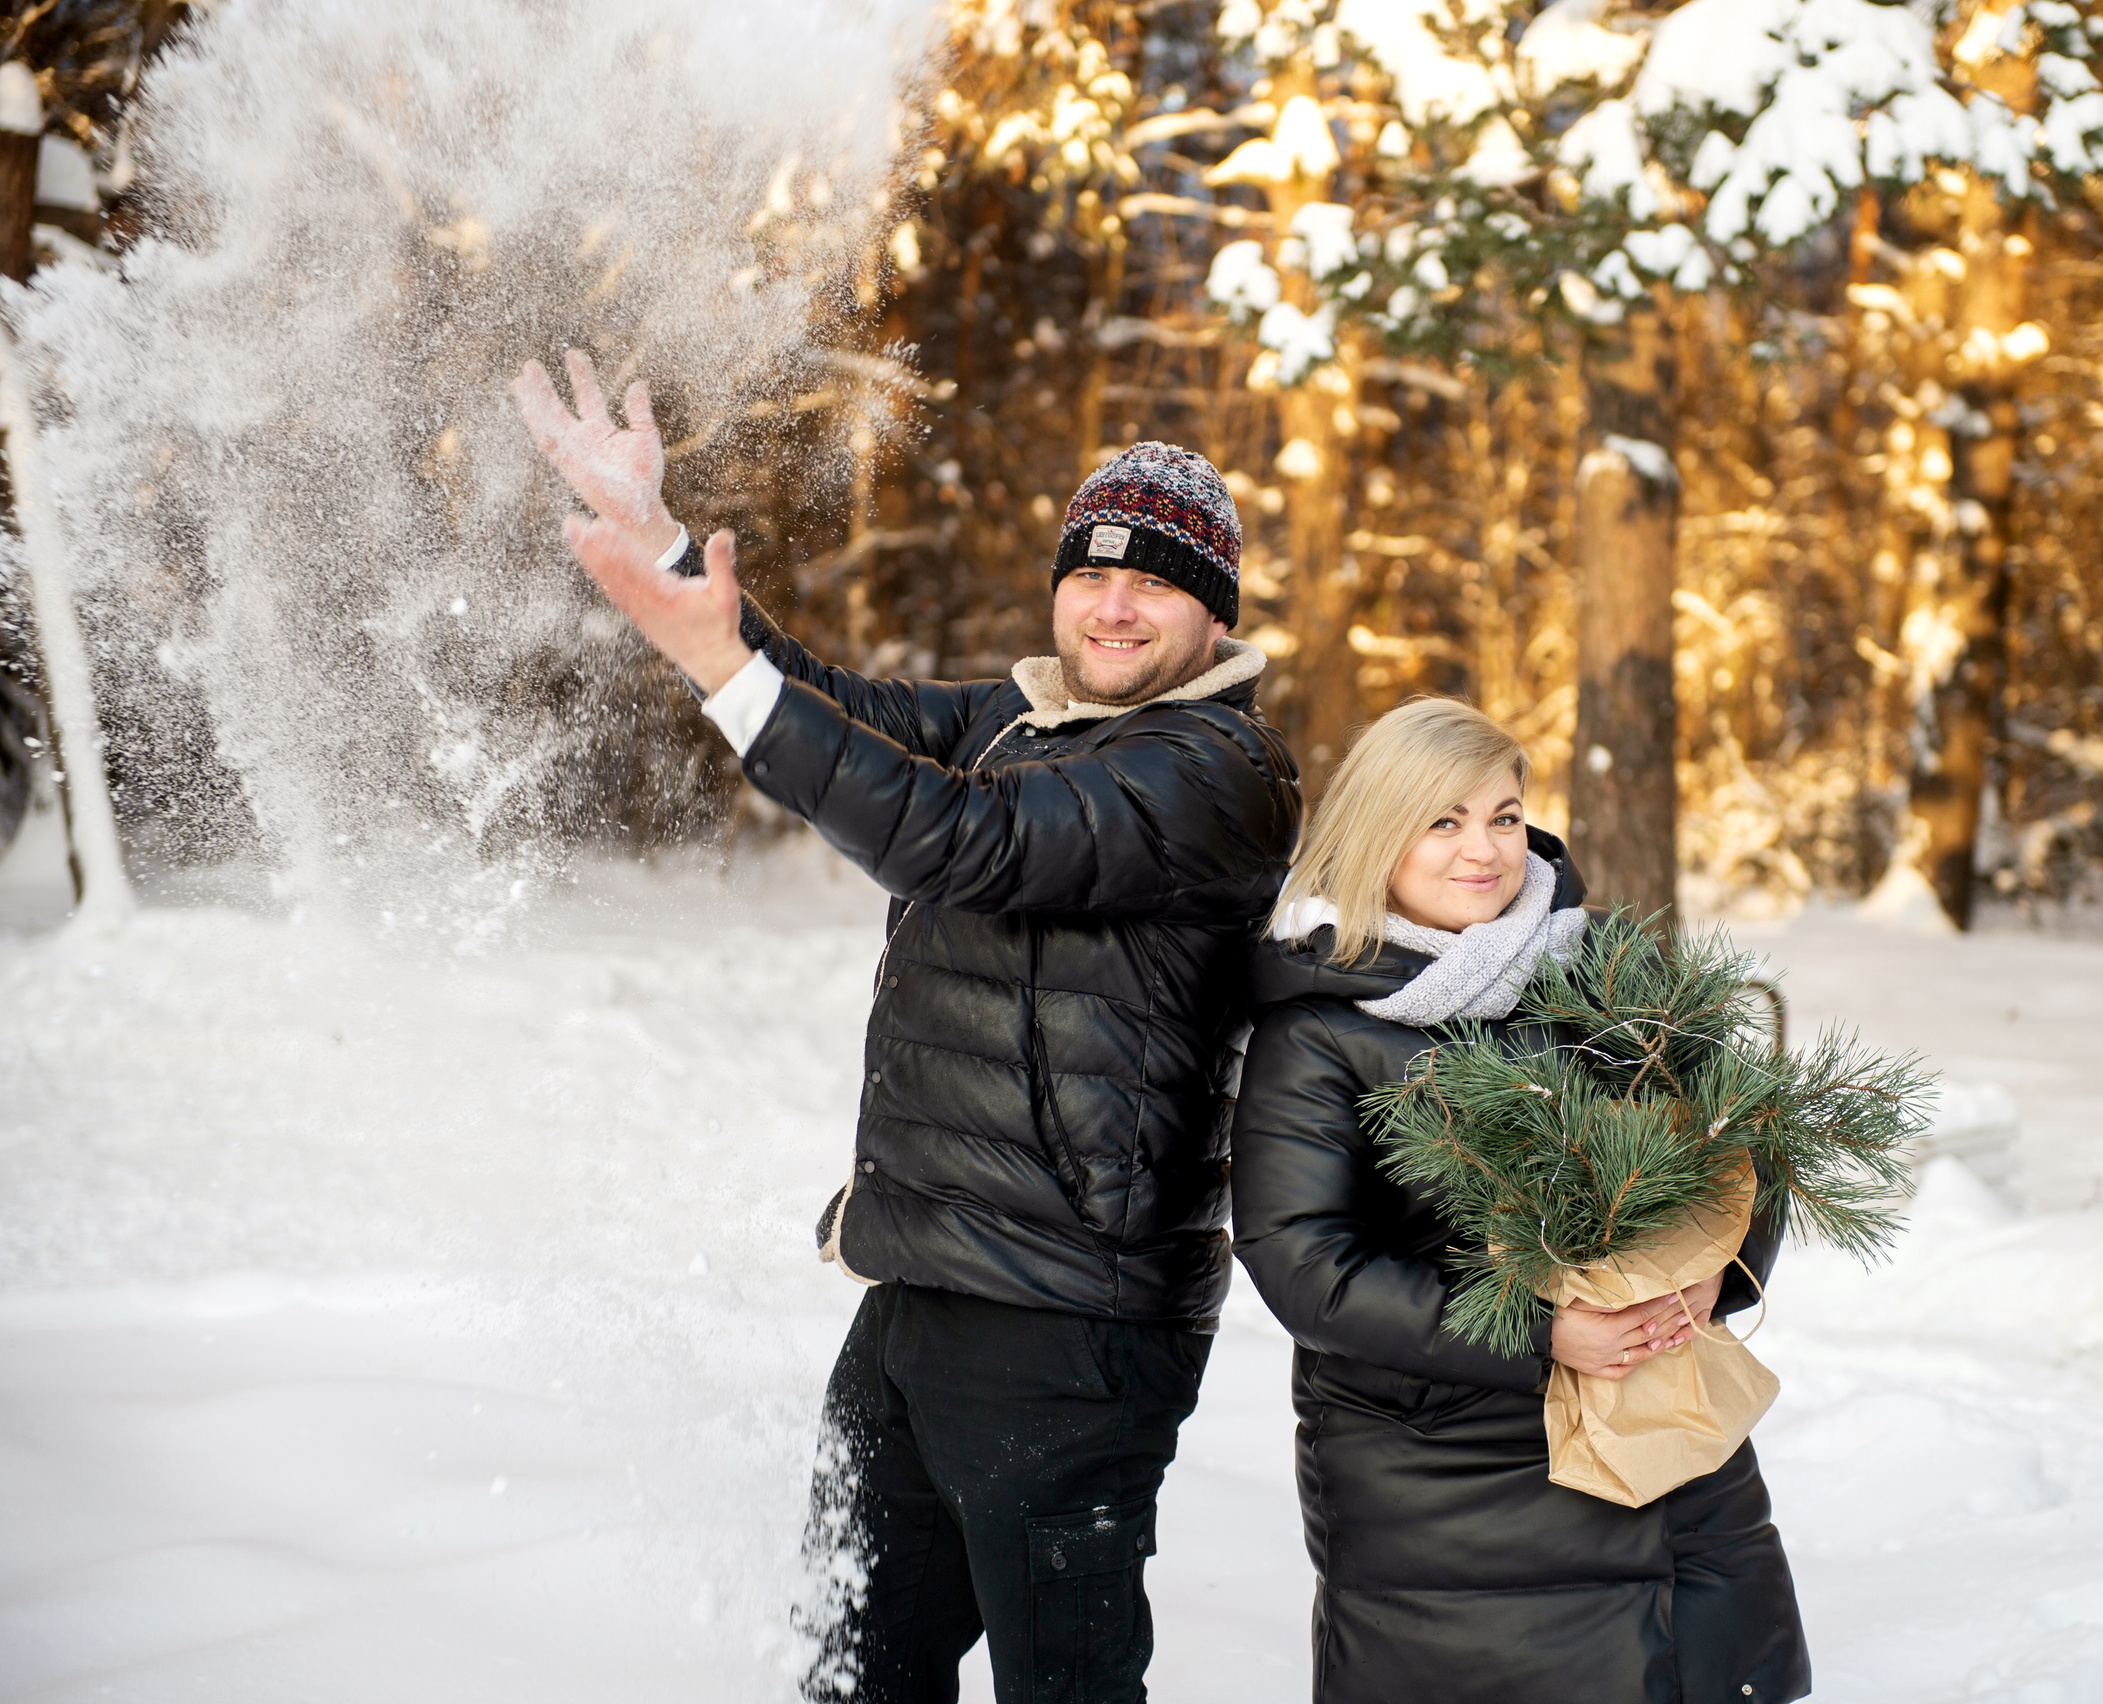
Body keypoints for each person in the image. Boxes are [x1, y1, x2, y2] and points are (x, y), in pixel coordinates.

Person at [513, 350, 1301, 1704]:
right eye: (1090, 573)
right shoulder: (1024, 722)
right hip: (917, 1292)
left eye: (1154, 582)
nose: (1112, 606)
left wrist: (718, 671)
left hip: (1071, 1326)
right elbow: (845, 711)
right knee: (857, 1669)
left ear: (1215, 618)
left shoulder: (1213, 773)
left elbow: (969, 848)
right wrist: (660, 542)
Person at [1231, 697, 1809, 1704]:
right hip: (1443, 1469)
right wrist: (1542, 1335)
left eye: (1503, 815)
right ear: (1378, 832)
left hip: (1660, 1428)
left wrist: (1716, 1270)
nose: (1484, 850)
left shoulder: (1607, 977)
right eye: (1443, 820)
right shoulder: (1320, 1029)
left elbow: (1737, 1141)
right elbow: (1302, 1263)